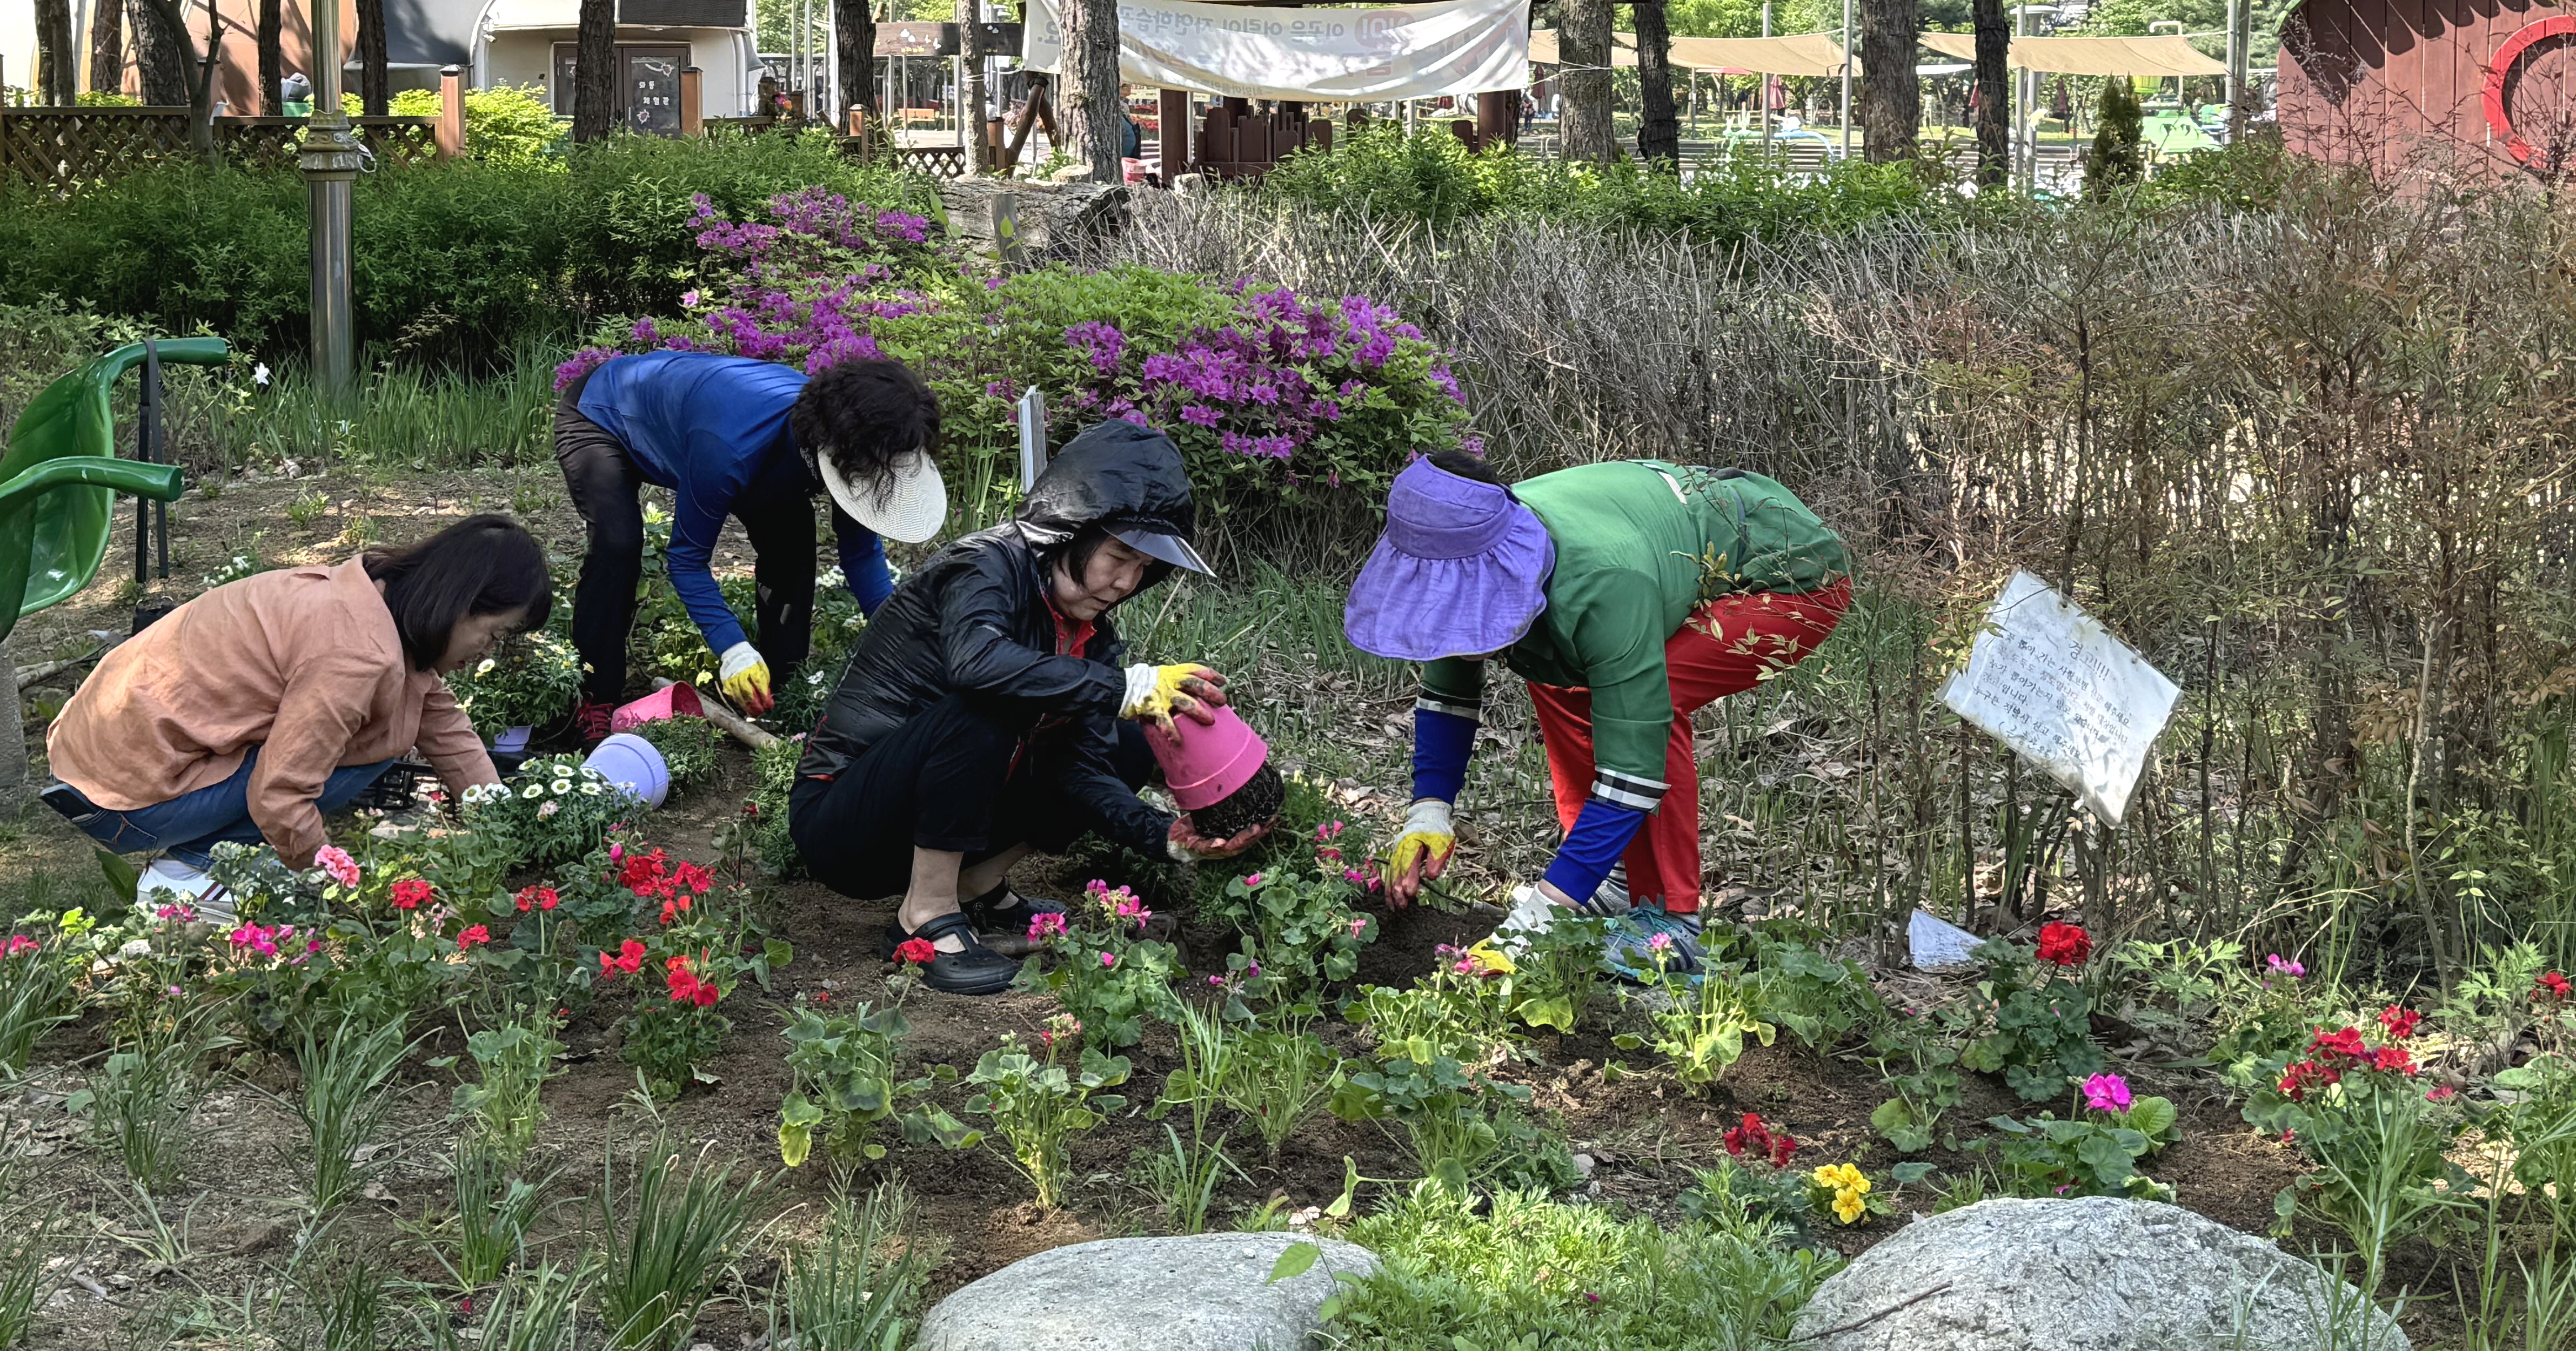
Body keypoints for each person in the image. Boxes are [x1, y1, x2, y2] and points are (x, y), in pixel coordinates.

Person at [791, 421, 1264, 993]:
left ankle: (977, 885)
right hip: (846, 822)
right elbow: (977, 664)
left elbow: (1081, 770)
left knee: (1132, 736)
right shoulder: (985, 566)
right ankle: (926, 912)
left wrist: (1164, 836)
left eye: (1143, 568)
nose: (1124, 582)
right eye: (1118, 555)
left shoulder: (1093, 634)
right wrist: (1122, 688)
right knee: (997, 702)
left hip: (930, 819)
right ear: (1071, 529)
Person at [1346, 452, 1851, 962]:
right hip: (1661, 542)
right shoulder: (1459, 542)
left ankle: (1671, 923)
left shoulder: (1603, 585)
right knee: (1558, 670)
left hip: (1785, 572)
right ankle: (1611, 880)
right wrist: (1429, 810)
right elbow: (1449, 687)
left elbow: (1634, 767)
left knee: (1654, 700)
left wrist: (1535, 923)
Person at [43, 514, 552, 906]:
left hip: (94, 763)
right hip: (125, 804)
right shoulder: (355, 653)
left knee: (393, 721)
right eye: (496, 634)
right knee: (377, 744)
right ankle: (190, 874)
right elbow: (280, 795)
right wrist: (332, 884)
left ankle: (200, 860)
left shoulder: (369, 599)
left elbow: (443, 721)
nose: (489, 652)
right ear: (460, 604)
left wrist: (500, 824)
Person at [558, 351, 946, 740]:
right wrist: (733, 649)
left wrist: (906, 640)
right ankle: (596, 693)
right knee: (619, 544)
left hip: (727, 436)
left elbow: (861, 554)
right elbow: (687, 559)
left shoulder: (857, 445)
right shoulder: (729, 446)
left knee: (792, 547)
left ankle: (784, 691)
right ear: (837, 453)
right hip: (604, 415)